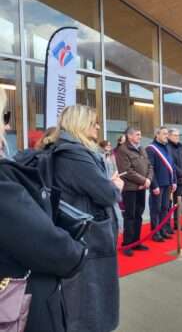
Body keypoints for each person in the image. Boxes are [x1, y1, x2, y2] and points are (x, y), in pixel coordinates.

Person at [0, 89, 87, 332]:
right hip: (23, 305)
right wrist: (79, 251)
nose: (6, 127)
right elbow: (52, 248)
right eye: (4, 117)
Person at [49, 105, 124, 332]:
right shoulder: (75, 154)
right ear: (80, 124)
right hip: (89, 237)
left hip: (83, 234)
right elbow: (106, 194)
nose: (98, 127)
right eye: (94, 123)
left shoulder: (68, 150)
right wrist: (115, 185)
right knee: (91, 300)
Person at [116, 127, 154, 257]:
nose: (140, 137)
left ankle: (136, 242)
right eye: (137, 134)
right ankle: (127, 244)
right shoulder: (122, 150)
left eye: (140, 134)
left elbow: (149, 166)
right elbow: (126, 171)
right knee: (130, 216)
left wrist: (148, 180)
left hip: (142, 187)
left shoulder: (141, 148)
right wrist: (144, 181)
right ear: (129, 136)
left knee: (139, 215)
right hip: (130, 188)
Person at [146, 127, 177, 242]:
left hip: (168, 184)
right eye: (164, 134)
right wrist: (154, 185)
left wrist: (173, 181)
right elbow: (150, 168)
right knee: (156, 209)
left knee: (165, 208)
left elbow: (172, 166)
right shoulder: (151, 149)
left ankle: (163, 230)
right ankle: (155, 232)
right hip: (158, 185)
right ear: (157, 134)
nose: (166, 136)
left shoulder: (166, 148)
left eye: (167, 134)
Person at [167, 128, 182, 231]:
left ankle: (177, 223)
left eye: (178, 135)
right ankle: (167, 226)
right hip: (171, 179)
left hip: (180, 179)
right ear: (169, 136)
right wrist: (180, 173)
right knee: (169, 203)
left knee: (178, 202)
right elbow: (171, 163)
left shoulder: (180, 147)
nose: (177, 137)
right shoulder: (167, 147)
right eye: (175, 135)